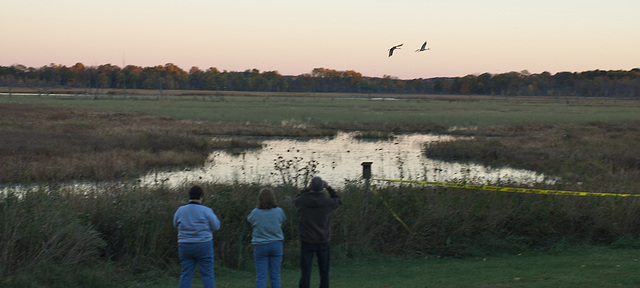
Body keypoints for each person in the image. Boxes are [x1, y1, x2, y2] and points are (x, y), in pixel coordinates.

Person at [293, 176, 342, 288]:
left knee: (305, 273)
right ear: (322, 188)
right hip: (323, 240)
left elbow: (294, 199)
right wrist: (329, 188)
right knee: (324, 273)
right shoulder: (327, 202)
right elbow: (338, 200)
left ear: (311, 187)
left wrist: (306, 189)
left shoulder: (303, 200)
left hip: (307, 240)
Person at [173, 185, 221, 288]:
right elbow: (216, 226)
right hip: (203, 244)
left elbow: (175, 224)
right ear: (201, 196)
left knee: (186, 274)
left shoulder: (181, 210)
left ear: (189, 196)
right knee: (208, 274)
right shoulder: (206, 210)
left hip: (184, 245)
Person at [247, 188, 287, 288]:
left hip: (260, 245)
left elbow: (249, 220)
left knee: (261, 276)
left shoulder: (255, 212)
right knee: (275, 275)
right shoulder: (279, 211)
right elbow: (283, 220)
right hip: (276, 244)